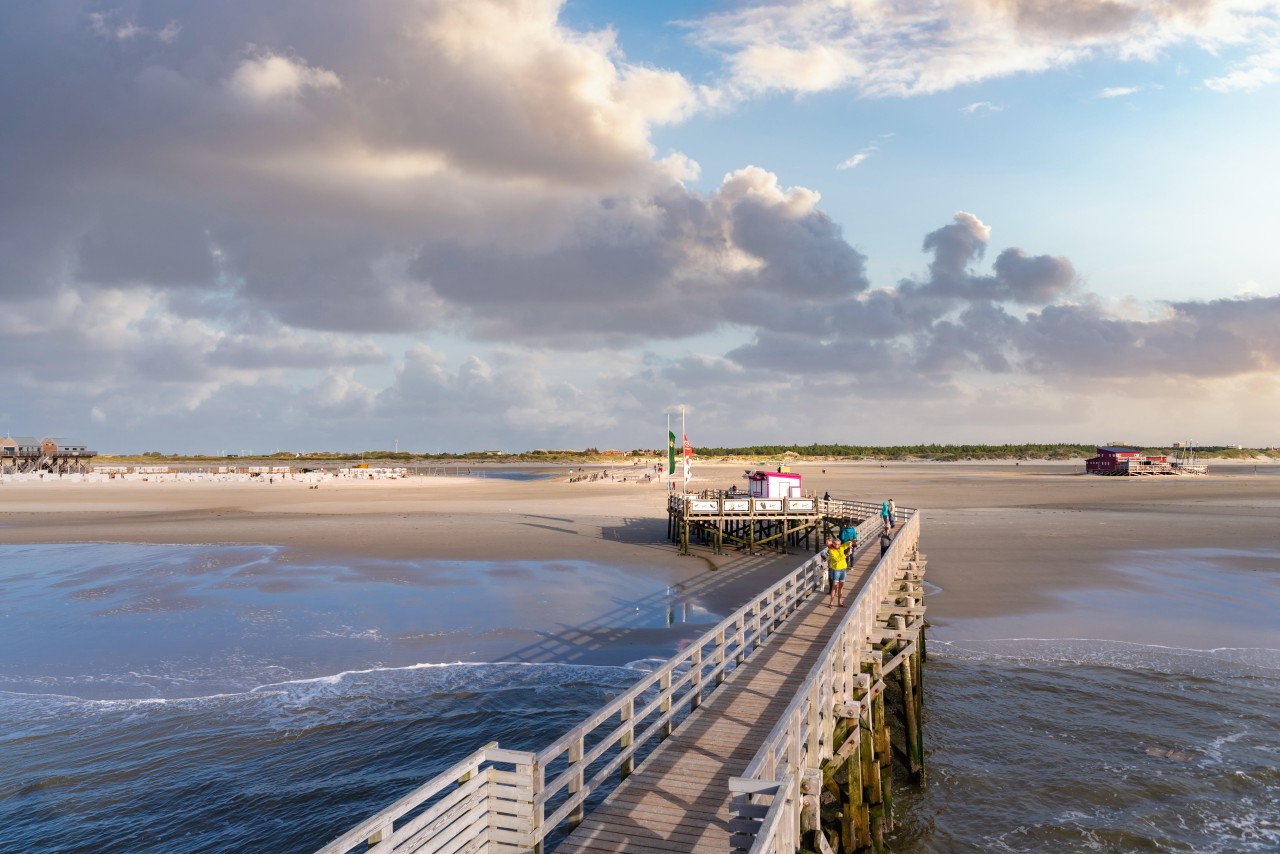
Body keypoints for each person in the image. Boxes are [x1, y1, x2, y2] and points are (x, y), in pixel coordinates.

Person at [826, 536, 849, 607]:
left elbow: (847, 544)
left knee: (841, 586)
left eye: (839, 544)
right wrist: (846, 555)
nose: (837, 546)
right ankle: (831, 603)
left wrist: (850, 542)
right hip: (836, 570)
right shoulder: (831, 550)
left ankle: (840, 602)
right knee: (834, 586)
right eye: (835, 544)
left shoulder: (841, 547)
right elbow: (836, 559)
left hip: (843, 569)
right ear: (833, 544)